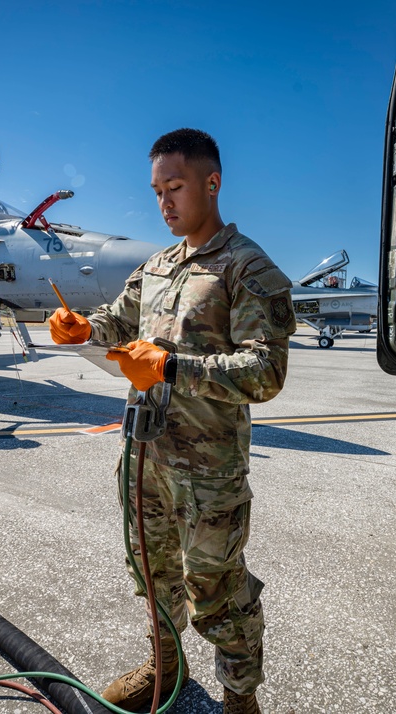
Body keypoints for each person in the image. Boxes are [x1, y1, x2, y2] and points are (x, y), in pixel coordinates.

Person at [49, 128, 295, 714]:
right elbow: (118, 320)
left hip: (209, 471)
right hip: (145, 457)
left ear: (212, 184)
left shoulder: (247, 267)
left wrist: (172, 367)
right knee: (152, 572)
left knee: (217, 593)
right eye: (157, 190)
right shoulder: (155, 266)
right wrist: (85, 329)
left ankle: (241, 699)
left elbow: (265, 372)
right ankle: (166, 668)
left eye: (175, 187)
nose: (164, 202)